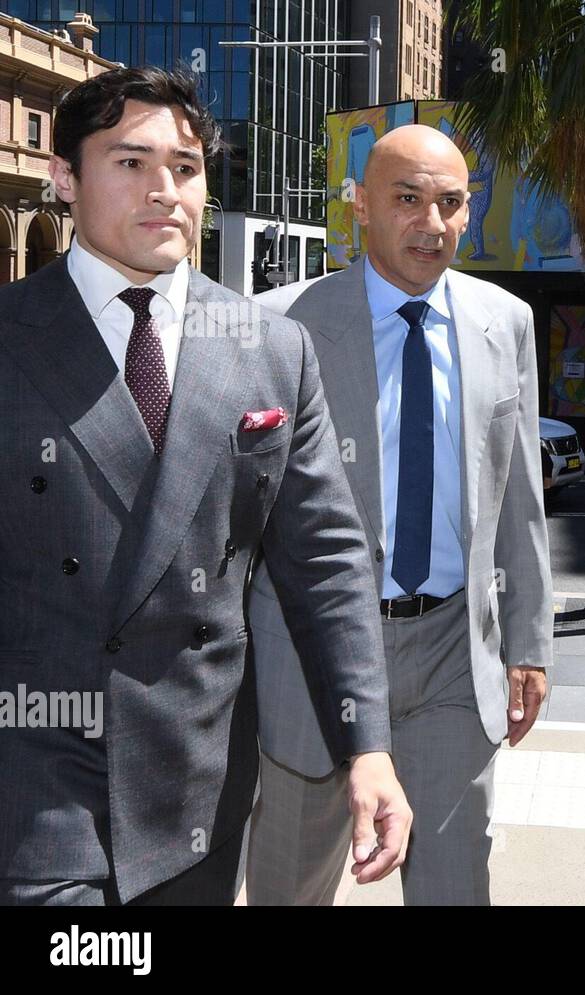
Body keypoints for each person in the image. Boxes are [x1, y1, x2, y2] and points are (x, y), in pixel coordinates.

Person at [0, 67, 411, 906]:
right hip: (33, 776)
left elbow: (327, 562)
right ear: (64, 178)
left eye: (186, 169)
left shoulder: (271, 348)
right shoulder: (12, 335)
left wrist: (367, 745)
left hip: (196, 787)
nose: (165, 191)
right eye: (130, 163)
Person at [244, 125, 552, 906]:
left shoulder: (505, 321)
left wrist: (530, 640)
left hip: (454, 649)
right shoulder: (280, 325)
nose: (433, 222)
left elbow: (520, 495)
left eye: (451, 202)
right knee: (291, 889)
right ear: (359, 209)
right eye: (408, 199)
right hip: (313, 653)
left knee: (454, 889)